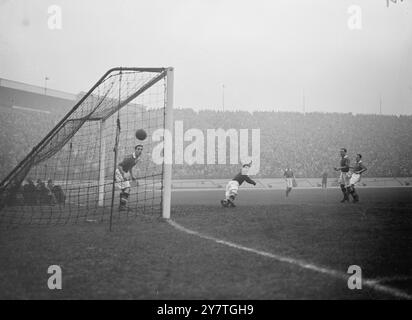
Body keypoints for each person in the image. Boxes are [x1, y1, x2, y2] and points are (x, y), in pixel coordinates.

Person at [115, 144, 143, 211]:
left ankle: (121, 206)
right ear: (135, 150)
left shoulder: (137, 158)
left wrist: (132, 175)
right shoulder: (130, 158)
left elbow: (130, 167)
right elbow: (119, 166)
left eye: (141, 149)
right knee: (127, 188)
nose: (140, 150)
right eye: (138, 149)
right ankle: (122, 206)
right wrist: (123, 174)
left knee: (124, 190)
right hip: (120, 172)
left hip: (123, 172)